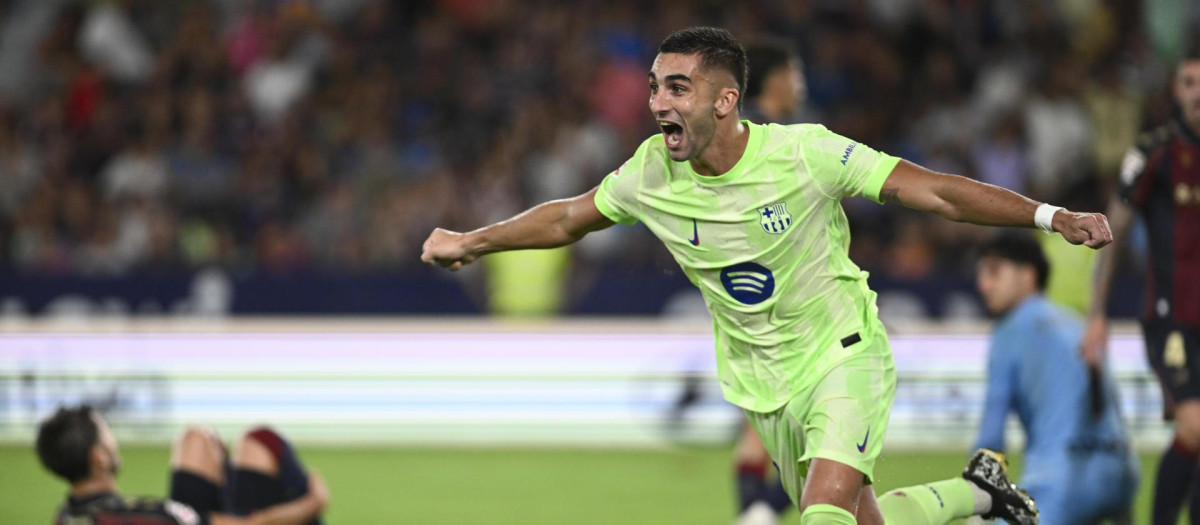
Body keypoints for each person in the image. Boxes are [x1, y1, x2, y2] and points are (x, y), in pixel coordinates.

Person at [422, 27, 1113, 524]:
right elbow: (570, 217)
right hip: (764, 388)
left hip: (844, 355)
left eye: (678, 87)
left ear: (725, 102)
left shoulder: (807, 154)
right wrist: (475, 242)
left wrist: (1049, 216)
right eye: (657, 86)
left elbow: (932, 190)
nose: (659, 102)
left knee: (821, 518)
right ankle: (979, 492)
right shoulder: (650, 172)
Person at [1082, 46, 1200, 525]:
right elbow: (1114, 232)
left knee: (1192, 436)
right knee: (1196, 428)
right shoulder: (1153, 153)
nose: (1198, 94)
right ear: (1175, 91)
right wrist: (1096, 315)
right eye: (1190, 83)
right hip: (1172, 317)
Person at [975, 233, 1139, 524]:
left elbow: (991, 437)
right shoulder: (1076, 325)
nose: (984, 284)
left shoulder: (1008, 333)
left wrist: (976, 502)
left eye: (994, 271)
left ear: (1027, 276)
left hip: (1062, 478)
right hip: (1120, 470)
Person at [36, 405, 329, 525]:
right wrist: (312, 503)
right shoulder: (149, 518)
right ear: (99, 457)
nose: (114, 441)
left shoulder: (66, 516)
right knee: (262, 441)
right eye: (108, 434)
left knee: (198, 438)